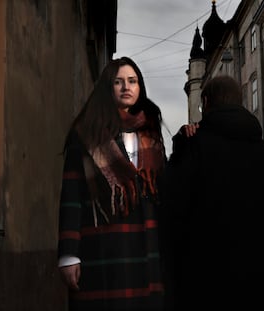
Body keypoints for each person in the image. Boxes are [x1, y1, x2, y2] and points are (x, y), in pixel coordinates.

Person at [57, 56, 195, 311]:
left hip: (147, 242)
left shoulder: (151, 134)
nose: (126, 87)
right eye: (118, 81)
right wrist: (68, 254)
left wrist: (185, 144)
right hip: (102, 246)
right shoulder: (86, 134)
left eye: (132, 81)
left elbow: (163, 186)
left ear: (140, 87)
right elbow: (72, 197)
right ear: (108, 88)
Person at [160, 75, 264, 310]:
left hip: (206, 278)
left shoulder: (194, 147)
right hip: (257, 278)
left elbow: (170, 207)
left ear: (207, 102)